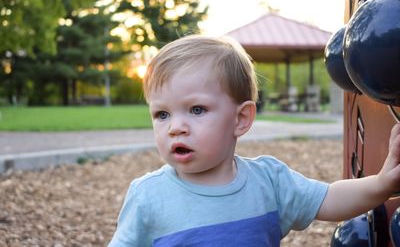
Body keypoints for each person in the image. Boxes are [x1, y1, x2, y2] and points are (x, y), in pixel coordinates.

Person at [108, 35, 400, 246]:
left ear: (241, 119)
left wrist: (382, 183)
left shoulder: (269, 182)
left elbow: (329, 200)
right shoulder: (148, 197)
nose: (175, 128)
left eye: (196, 110)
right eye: (162, 115)